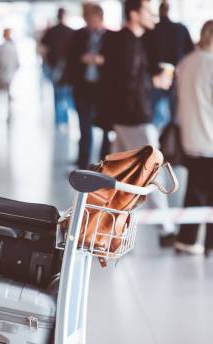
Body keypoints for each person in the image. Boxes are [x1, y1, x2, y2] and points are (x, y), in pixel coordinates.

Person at [99, 0, 175, 246]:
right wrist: (155, 81)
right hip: (135, 117)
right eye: (147, 10)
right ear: (134, 14)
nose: (153, 14)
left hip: (123, 116)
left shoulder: (126, 40)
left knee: (118, 175)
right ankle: (166, 229)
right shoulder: (128, 43)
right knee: (152, 170)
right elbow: (129, 82)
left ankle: (108, 224)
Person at [174, 21, 213, 256]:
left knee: (196, 189)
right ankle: (210, 243)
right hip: (210, 139)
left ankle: (186, 239)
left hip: (189, 137)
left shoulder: (186, 62)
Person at [63, 3, 110, 168]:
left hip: (103, 90)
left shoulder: (111, 37)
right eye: (88, 19)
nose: (90, 23)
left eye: (93, 19)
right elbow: (69, 58)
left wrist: (102, 60)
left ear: (100, 18)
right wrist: (81, 58)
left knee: (106, 128)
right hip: (82, 87)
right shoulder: (78, 36)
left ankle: (105, 165)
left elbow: (117, 62)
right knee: (84, 126)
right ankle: (83, 163)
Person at [145, 1, 194, 131]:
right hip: (175, 77)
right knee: (173, 115)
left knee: (153, 116)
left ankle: (155, 145)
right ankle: (168, 145)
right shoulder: (180, 29)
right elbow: (191, 52)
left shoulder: (151, 30)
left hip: (154, 76)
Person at [40, 8, 74, 127]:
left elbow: (42, 49)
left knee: (57, 94)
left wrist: (46, 63)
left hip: (54, 67)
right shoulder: (71, 31)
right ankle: (64, 118)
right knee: (66, 94)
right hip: (67, 69)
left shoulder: (51, 31)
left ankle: (59, 120)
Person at [0, 29, 19, 124]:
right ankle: (9, 118)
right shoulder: (13, 48)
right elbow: (18, 64)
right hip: (9, 77)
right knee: (8, 98)